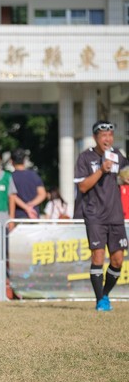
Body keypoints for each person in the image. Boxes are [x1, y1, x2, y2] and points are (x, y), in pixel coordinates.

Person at [74, 120, 128, 311]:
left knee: (118, 260)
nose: (108, 139)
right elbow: (82, 186)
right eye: (104, 135)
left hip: (115, 215)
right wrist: (101, 170)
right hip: (94, 214)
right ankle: (100, 301)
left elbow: (124, 175)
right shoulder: (85, 158)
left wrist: (125, 176)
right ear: (96, 137)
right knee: (98, 256)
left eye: (110, 135)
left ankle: (105, 294)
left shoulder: (118, 156)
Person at [10, 148, 46, 219]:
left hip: (18, 215)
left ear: (11, 161)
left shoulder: (10, 177)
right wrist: (31, 205)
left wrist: (26, 207)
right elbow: (42, 194)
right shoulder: (34, 175)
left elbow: (12, 196)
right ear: (24, 160)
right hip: (34, 214)